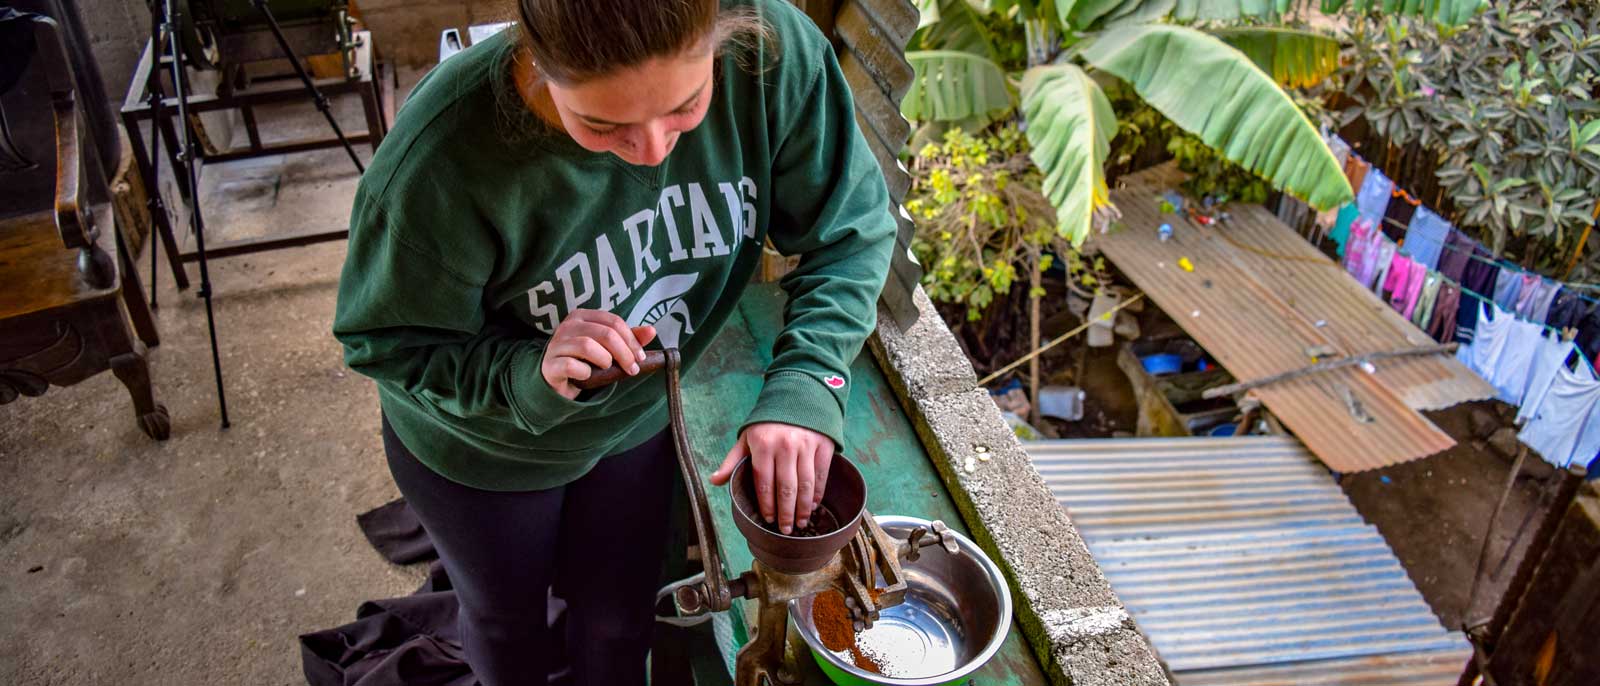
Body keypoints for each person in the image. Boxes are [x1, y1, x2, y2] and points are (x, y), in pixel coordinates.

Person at [331, 0, 896, 684]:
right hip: (484, 451)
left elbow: (852, 232)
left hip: (635, 422)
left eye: (687, 106)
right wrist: (526, 374)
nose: (654, 151)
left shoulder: (772, 54)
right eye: (602, 125)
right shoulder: (438, 159)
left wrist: (808, 381)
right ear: (538, 61)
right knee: (507, 625)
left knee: (620, 619)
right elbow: (385, 342)